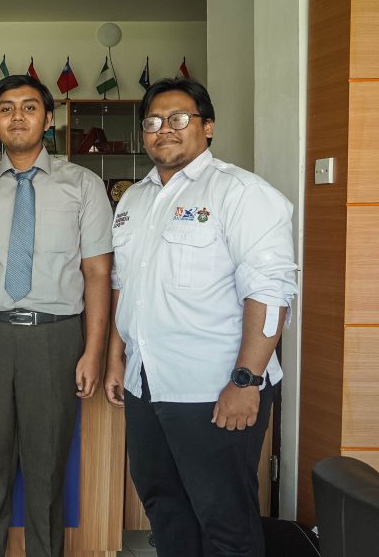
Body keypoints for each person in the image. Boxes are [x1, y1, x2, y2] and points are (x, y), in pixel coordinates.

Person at [104, 78, 297, 557]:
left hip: (215, 389)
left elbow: (270, 293)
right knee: (164, 508)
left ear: (207, 127)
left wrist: (247, 380)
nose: (163, 129)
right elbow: (125, 287)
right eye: (152, 121)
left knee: (224, 521)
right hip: (146, 385)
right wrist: (116, 361)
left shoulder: (242, 193)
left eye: (178, 118)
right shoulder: (133, 199)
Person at [0, 74, 112, 557]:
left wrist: (93, 352)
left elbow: (98, 273)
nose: (17, 116)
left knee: (46, 471)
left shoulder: (83, 186)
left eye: (29, 107)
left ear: (48, 118)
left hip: (55, 339)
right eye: (7, 108)